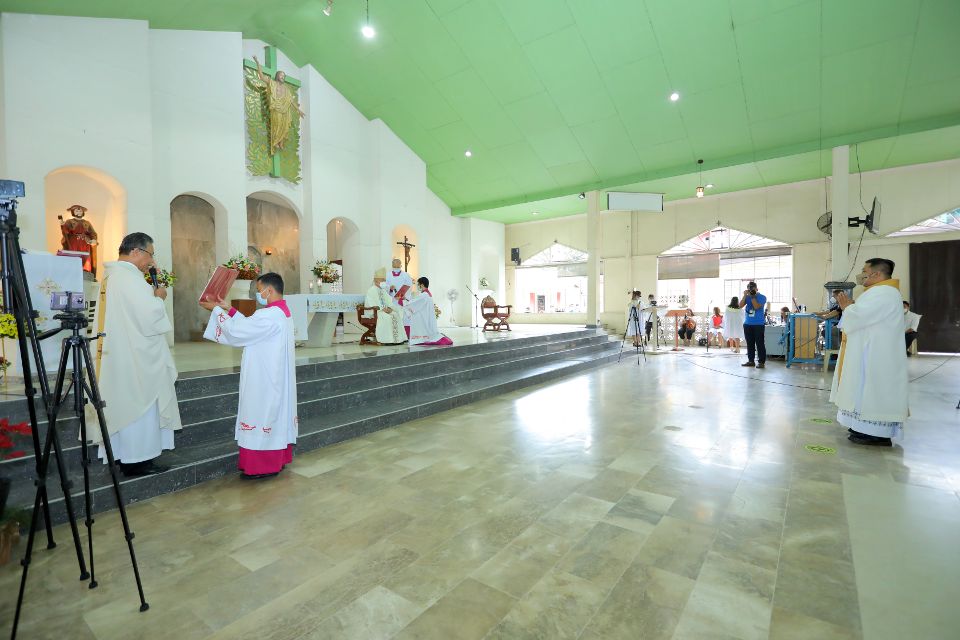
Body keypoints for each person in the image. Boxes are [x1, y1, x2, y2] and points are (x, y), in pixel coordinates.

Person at [93, 232, 181, 476]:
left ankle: (127, 457)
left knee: (125, 404)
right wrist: (159, 298)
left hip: (123, 354)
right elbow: (149, 319)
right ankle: (137, 461)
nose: (151, 262)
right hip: (136, 360)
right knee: (138, 407)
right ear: (136, 252)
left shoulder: (114, 277)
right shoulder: (129, 280)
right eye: (150, 255)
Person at [199, 273, 298, 478]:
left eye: (259, 290)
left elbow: (238, 332)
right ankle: (277, 459)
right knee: (272, 415)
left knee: (260, 413)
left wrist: (216, 311)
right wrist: (229, 309)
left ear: (268, 291)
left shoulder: (269, 315)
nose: (257, 295)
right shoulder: (281, 313)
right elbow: (251, 326)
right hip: (274, 375)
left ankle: (262, 465)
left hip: (263, 378)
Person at [831, 258, 908, 446]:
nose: (861, 274)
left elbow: (859, 317)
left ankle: (877, 433)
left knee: (872, 390)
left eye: (864, 270)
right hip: (868, 351)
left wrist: (847, 307)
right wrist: (849, 308)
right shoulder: (878, 292)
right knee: (862, 388)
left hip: (876, 355)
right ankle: (862, 427)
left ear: (876, 274)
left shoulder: (884, 293)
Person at [405, 277, 453, 346]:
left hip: (423, 317)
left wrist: (405, 302)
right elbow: (416, 303)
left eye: (418, 284)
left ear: (421, 285)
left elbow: (413, 304)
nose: (418, 286)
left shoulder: (423, 295)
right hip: (426, 315)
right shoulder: (427, 294)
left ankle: (421, 338)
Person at [364, 267, 406, 344]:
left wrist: (390, 308)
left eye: (384, 280)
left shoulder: (382, 290)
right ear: (376, 280)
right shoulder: (371, 290)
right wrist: (382, 309)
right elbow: (371, 303)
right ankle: (388, 340)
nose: (384, 282)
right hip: (376, 312)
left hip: (384, 310)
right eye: (382, 280)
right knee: (387, 317)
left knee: (396, 315)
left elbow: (388, 301)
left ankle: (398, 339)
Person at [58, 204, 98, 277]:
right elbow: (65, 232)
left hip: (85, 243)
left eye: (80, 211)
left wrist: (94, 240)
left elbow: (92, 233)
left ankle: (86, 274)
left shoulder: (87, 223)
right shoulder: (69, 221)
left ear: (83, 212)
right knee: (73, 258)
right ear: (73, 212)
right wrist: (62, 225)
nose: (79, 212)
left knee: (86, 260)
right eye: (76, 211)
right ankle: (72, 273)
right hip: (73, 243)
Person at [739, 281, 767, 368]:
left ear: (756, 288)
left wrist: (753, 296)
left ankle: (761, 362)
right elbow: (740, 306)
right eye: (749, 288)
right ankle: (751, 361)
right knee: (750, 343)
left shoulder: (762, 297)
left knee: (760, 343)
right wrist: (744, 295)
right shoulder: (747, 297)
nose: (751, 290)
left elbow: (756, 306)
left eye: (752, 288)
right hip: (747, 324)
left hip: (758, 324)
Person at [386, 258, 414, 338]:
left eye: (398, 266)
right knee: (394, 317)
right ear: (392, 266)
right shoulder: (387, 275)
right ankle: (394, 336)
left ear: (401, 265)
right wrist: (390, 289)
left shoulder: (406, 275)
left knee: (405, 318)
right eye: (394, 266)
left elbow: (409, 286)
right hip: (392, 301)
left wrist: (403, 297)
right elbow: (384, 287)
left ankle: (405, 336)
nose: (396, 268)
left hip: (402, 301)